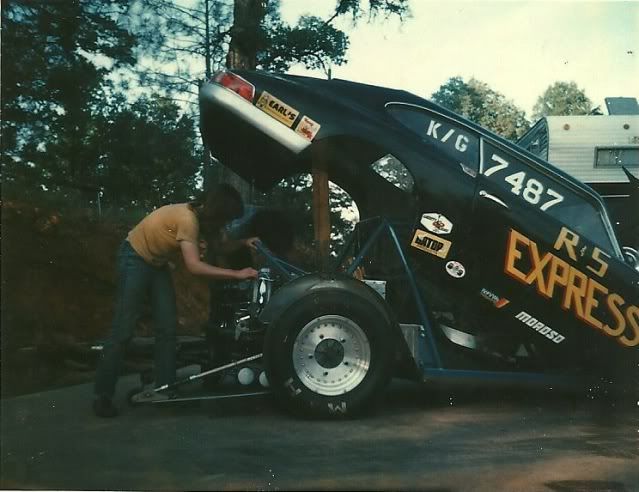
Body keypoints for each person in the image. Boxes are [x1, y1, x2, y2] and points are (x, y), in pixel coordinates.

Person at [93, 184, 258, 417]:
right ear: (219, 213)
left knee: (167, 328)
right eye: (227, 219)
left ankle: (165, 390)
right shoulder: (188, 220)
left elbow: (221, 246)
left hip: (156, 263)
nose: (226, 224)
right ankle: (102, 395)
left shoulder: (202, 219)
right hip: (135, 257)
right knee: (123, 329)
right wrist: (237, 274)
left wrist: (242, 242)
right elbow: (194, 266)